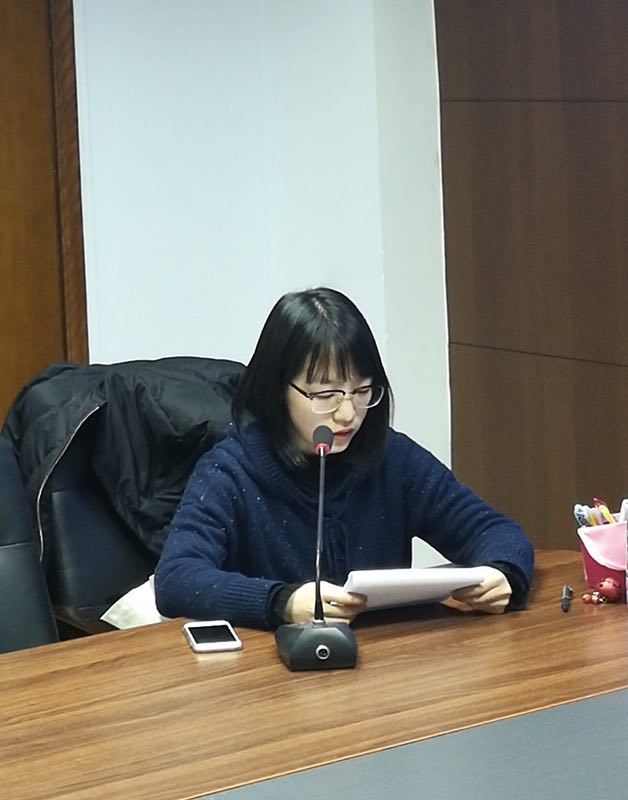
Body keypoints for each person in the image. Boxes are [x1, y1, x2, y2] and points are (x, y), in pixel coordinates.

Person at [154, 287, 534, 629]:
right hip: (271, 670)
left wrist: (503, 573)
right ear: (276, 390)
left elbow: (495, 531)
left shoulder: (391, 458)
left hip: (386, 665)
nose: (348, 414)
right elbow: (177, 578)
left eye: (362, 391)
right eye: (326, 395)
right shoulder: (230, 471)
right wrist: (281, 603)